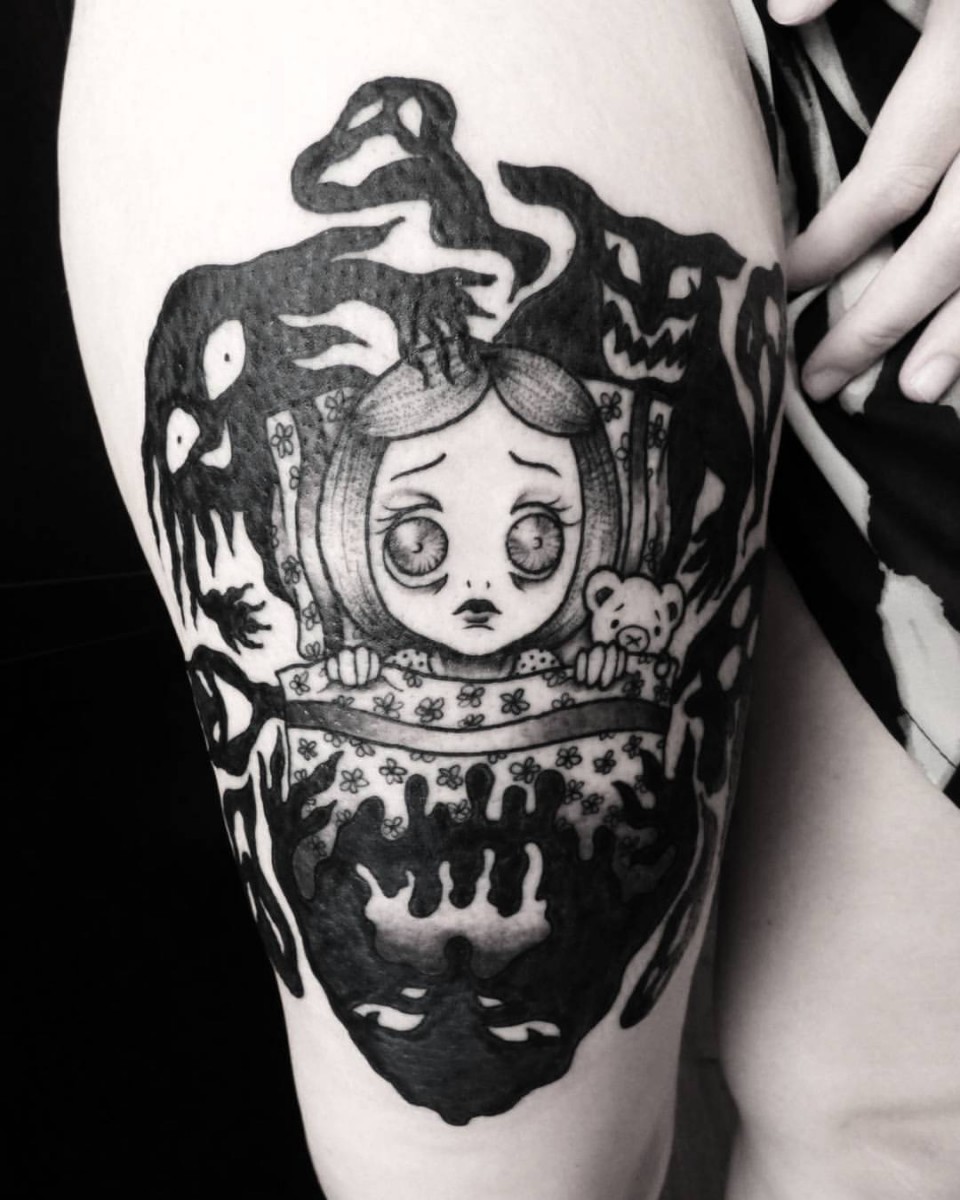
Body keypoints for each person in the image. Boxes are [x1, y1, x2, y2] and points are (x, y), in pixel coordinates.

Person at [58, 1, 958, 1197]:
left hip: (907, 132)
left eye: (535, 539)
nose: (482, 588)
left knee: (902, 1115)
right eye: (420, 543)